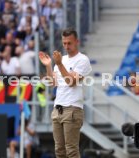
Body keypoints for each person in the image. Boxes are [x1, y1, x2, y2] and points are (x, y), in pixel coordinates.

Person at [39, 28, 92, 158]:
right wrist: (49, 65)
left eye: (69, 43)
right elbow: (53, 83)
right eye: (64, 43)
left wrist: (59, 64)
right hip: (58, 108)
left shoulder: (82, 59)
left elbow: (71, 82)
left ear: (77, 42)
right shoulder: (61, 60)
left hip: (73, 108)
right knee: (59, 151)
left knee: (71, 150)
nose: (66, 46)